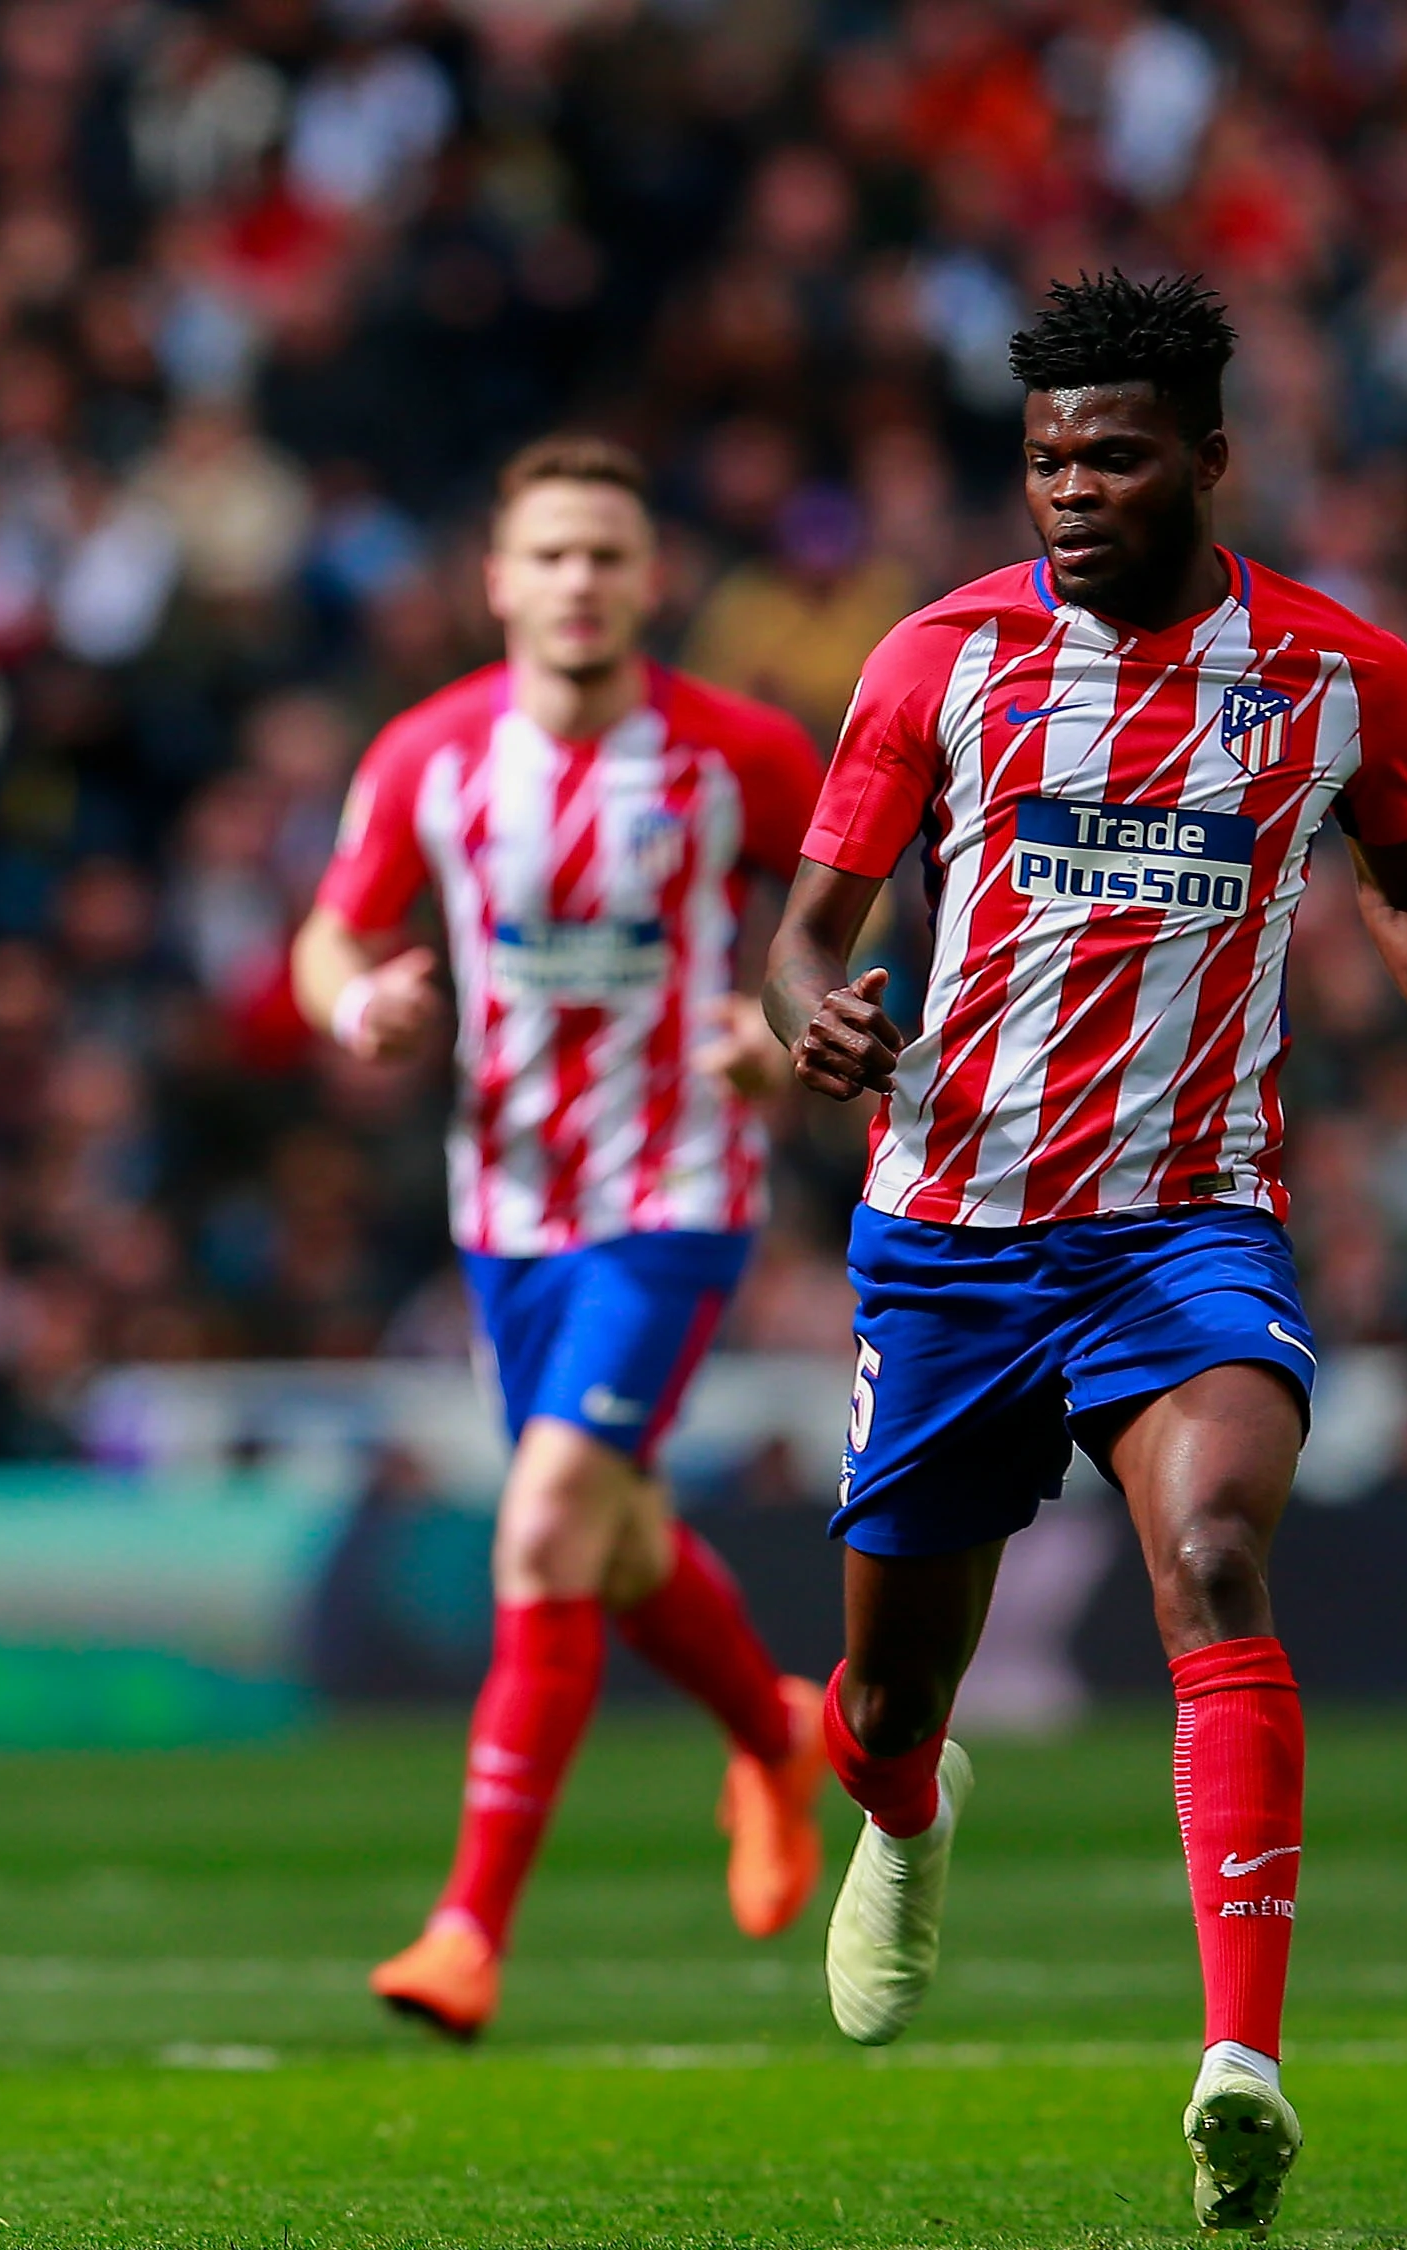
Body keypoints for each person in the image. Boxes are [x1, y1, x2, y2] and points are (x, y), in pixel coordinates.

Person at [765, 271, 1407, 2236]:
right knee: (879, 1709)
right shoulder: (934, 661)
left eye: (1109, 456)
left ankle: (1237, 2066)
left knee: (1212, 1563)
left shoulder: (1331, 675)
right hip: (947, 1240)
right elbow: (809, 922)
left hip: (1184, 1226)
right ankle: (904, 1809)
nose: (1066, 489)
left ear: (1206, 460)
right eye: (1043, 457)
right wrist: (815, 1007)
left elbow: (1405, 895)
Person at [292, 435, 834, 2043]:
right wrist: (359, 1005)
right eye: (553, 554)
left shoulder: (736, 753)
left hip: (673, 1194)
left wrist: (780, 1029)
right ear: (500, 581)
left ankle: (468, 1927)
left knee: (541, 1528)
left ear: (651, 577)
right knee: (613, 1530)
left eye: (609, 552)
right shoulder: (432, 757)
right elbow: (335, 933)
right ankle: (773, 1731)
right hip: (507, 1210)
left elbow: (842, 914)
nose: (581, 581)